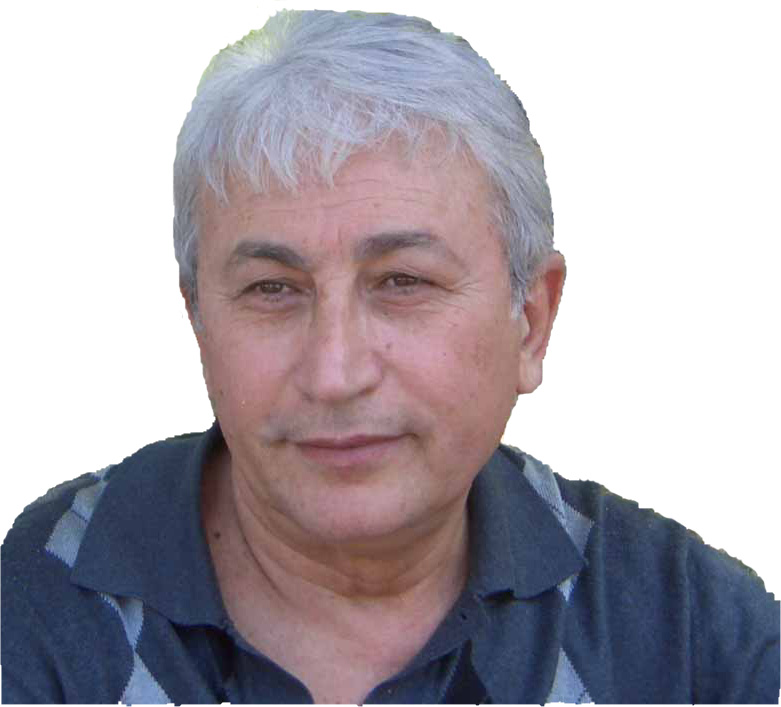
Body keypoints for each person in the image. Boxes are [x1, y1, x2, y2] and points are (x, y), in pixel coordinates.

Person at [2, 9, 778, 704]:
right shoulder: (44, 606)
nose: (335, 372)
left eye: (403, 281)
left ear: (531, 322)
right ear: (199, 320)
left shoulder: (682, 629)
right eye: (272, 288)